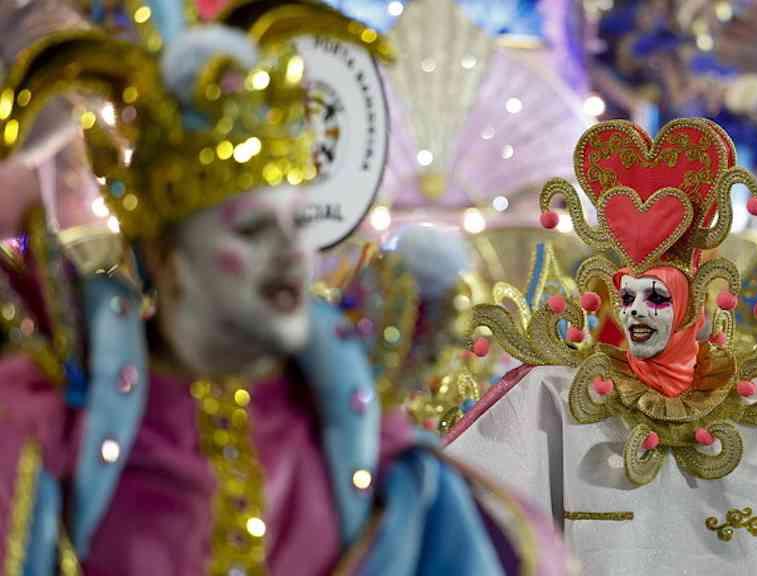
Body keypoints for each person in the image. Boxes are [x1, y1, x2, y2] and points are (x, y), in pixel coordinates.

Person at [0, 1, 568, 574]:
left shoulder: (376, 453)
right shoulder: (59, 432)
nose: (290, 254)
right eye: (251, 229)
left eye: (299, 224)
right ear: (168, 259)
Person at [446, 117, 757, 574]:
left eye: (656, 297)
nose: (635, 311)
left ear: (692, 305)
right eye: (626, 296)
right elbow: (474, 494)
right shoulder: (560, 395)